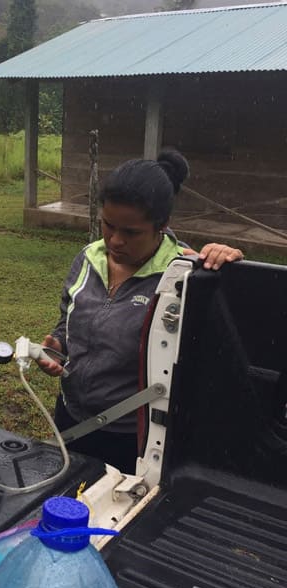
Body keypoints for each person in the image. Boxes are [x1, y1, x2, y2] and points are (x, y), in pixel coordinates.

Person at [36, 150, 243, 474]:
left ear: (162, 226)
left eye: (131, 232)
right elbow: (67, 318)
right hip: (70, 418)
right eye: (108, 225)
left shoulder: (186, 276)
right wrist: (59, 347)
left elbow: (221, 357)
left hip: (135, 438)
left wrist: (229, 270)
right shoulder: (89, 258)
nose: (115, 240)